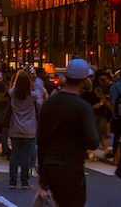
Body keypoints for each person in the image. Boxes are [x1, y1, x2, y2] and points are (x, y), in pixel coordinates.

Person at [37, 59, 99, 207]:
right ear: (84, 80)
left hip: (50, 166)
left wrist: (42, 174)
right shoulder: (83, 107)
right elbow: (93, 142)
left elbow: (41, 140)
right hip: (71, 167)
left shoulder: (49, 103)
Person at [8, 70, 40, 189]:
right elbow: (39, 92)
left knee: (15, 154)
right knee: (25, 155)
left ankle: (12, 181)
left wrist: (16, 79)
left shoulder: (13, 94)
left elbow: (11, 89)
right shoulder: (32, 96)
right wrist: (34, 79)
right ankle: (25, 182)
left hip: (15, 127)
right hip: (29, 128)